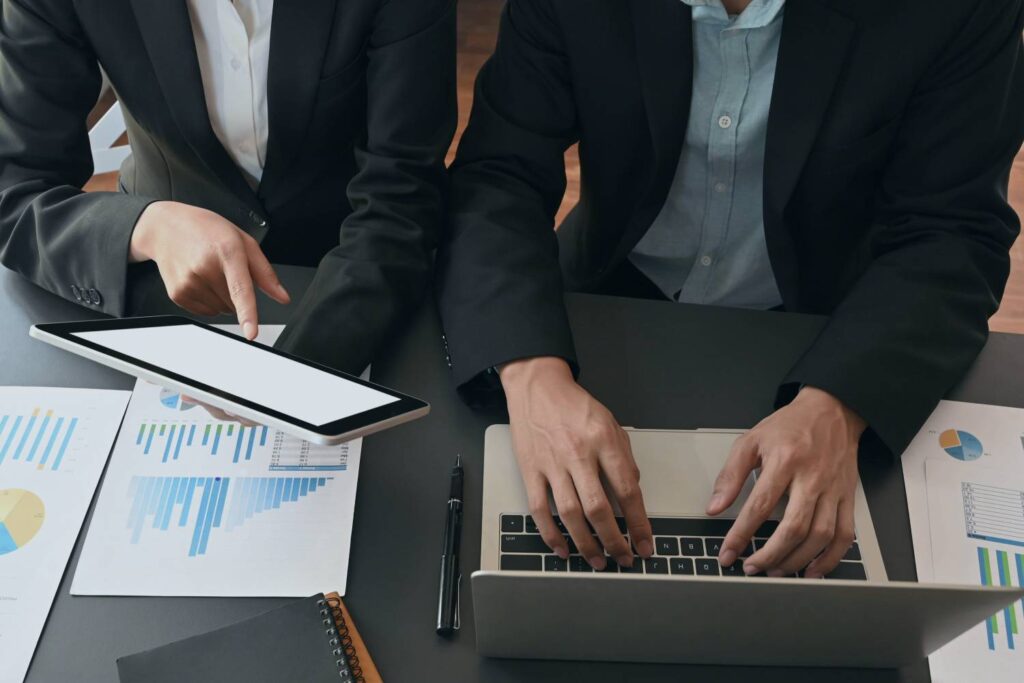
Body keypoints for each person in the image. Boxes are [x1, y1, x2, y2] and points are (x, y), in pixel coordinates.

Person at [437, 0, 1024, 577]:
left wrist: (842, 403)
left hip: (831, 329)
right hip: (605, 298)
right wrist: (529, 369)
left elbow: (953, 232)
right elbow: (499, 176)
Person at [0, 0, 456, 376]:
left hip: (356, 274)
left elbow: (402, 187)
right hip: (152, 287)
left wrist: (284, 378)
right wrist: (144, 227)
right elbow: (14, 188)